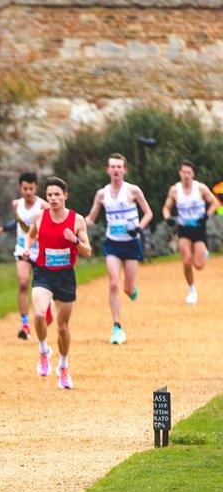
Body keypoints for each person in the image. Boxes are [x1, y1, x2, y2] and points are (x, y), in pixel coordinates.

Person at [23, 177, 92, 389]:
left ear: (65, 196)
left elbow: (88, 252)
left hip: (65, 276)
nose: (53, 198)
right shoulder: (40, 217)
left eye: (57, 194)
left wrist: (75, 241)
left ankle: (63, 365)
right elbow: (30, 236)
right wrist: (27, 248)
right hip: (43, 273)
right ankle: (44, 351)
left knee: (62, 327)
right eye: (50, 195)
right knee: (40, 314)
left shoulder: (77, 220)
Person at [85, 153, 153, 345]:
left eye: (119, 167)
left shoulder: (133, 190)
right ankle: (117, 327)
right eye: (112, 167)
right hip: (112, 243)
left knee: (127, 287)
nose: (116, 170)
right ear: (108, 170)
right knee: (113, 284)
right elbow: (91, 218)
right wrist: (73, 222)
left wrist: (139, 227)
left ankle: (131, 290)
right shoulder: (102, 194)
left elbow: (148, 213)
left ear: (124, 170)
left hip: (131, 243)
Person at [0, 172, 49, 339]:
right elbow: (18, 222)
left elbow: (47, 227)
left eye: (31, 188)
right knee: (23, 283)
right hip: (22, 249)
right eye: (25, 188)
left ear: (36, 188)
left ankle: (46, 310)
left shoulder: (43, 206)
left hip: (41, 250)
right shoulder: (16, 204)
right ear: (20, 188)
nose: (28, 192)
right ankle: (25, 325)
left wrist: (36, 238)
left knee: (44, 287)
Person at [161, 160, 220, 304]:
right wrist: (168, 218)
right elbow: (166, 207)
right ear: (180, 173)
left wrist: (206, 215)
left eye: (189, 172)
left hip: (198, 228)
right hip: (184, 229)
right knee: (186, 260)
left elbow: (215, 202)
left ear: (193, 174)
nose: (186, 175)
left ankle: (202, 253)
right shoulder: (175, 190)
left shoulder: (200, 188)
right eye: (184, 172)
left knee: (198, 265)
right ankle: (192, 290)